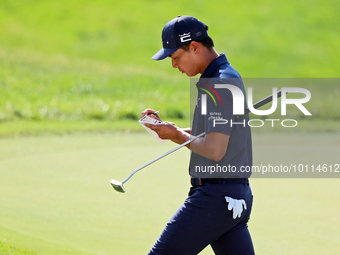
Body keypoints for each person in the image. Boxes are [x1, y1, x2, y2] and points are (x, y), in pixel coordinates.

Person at [141, 15, 255, 255]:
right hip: (235, 196)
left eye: (175, 57)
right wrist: (172, 131)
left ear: (193, 47)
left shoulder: (220, 83)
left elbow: (215, 149)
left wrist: (177, 136)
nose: (173, 65)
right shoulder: (223, 76)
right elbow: (215, 133)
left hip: (215, 198)